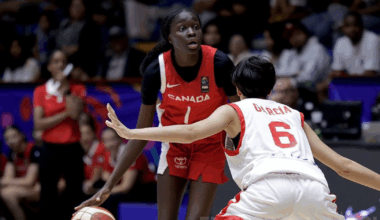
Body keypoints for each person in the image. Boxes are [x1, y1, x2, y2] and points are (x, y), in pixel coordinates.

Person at [101, 56, 380, 219]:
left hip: (268, 188)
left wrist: (132, 132)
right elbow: (343, 166)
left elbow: (190, 132)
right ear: (271, 88)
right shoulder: (293, 114)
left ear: (236, 86)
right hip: (316, 190)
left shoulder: (233, 110)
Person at [76, 9, 239, 220]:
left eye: (196, 27)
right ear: (170, 37)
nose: (191, 33)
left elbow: (242, 114)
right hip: (174, 147)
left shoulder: (220, 63)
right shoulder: (156, 71)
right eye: (183, 29)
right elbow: (142, 132)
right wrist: (108, 186)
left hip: (209, 147)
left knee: (196, 219)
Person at [33, 50, 86, 220]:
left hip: (72, 147)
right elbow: (39, 123)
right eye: (55, 61)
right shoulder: (41, 91)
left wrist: (66, 89)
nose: (60, 65)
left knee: (74, 193)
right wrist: (64, 114)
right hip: (50, 148)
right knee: (48, 194)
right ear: (49, 66)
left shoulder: (77, 88)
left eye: (63, 61)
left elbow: (76, 114)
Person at [99, 128, 157, 217]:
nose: (109, 144)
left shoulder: (130, 154)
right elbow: (105, 178)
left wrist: (101, 193)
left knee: (110, 199)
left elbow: (126, 186)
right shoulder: (108, 155)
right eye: (106, 140)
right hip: (131, 189)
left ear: (120, 138)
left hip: (146, 190)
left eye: (112, 139)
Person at [0, 125, 40, 220]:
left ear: (21, 135)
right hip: (23, 187)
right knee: (5, 191)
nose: (11, 141)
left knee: (7, 193)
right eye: (7, 138)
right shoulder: (12, 153)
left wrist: (5, 181)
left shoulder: (33, 150)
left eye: (14, 136)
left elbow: (29, 181)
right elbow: (7, 178)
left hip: (39, 187)